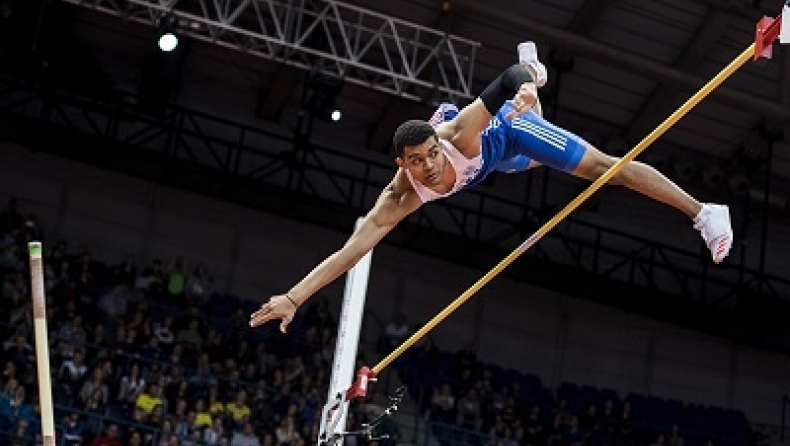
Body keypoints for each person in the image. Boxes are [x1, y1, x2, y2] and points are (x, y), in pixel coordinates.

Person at [250, 42, 733, 333]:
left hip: (504, 132)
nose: (429, 169)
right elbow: (350, 252)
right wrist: (295, 297)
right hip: (494, 165)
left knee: (607, 169)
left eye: (431, 157)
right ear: (402, 165)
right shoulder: (398, 198)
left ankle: (704, 211)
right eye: (417, 165)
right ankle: (535, 88)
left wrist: (522, 82)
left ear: (439, 146)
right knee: (529, 162)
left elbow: (501, 82)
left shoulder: (458, 132)